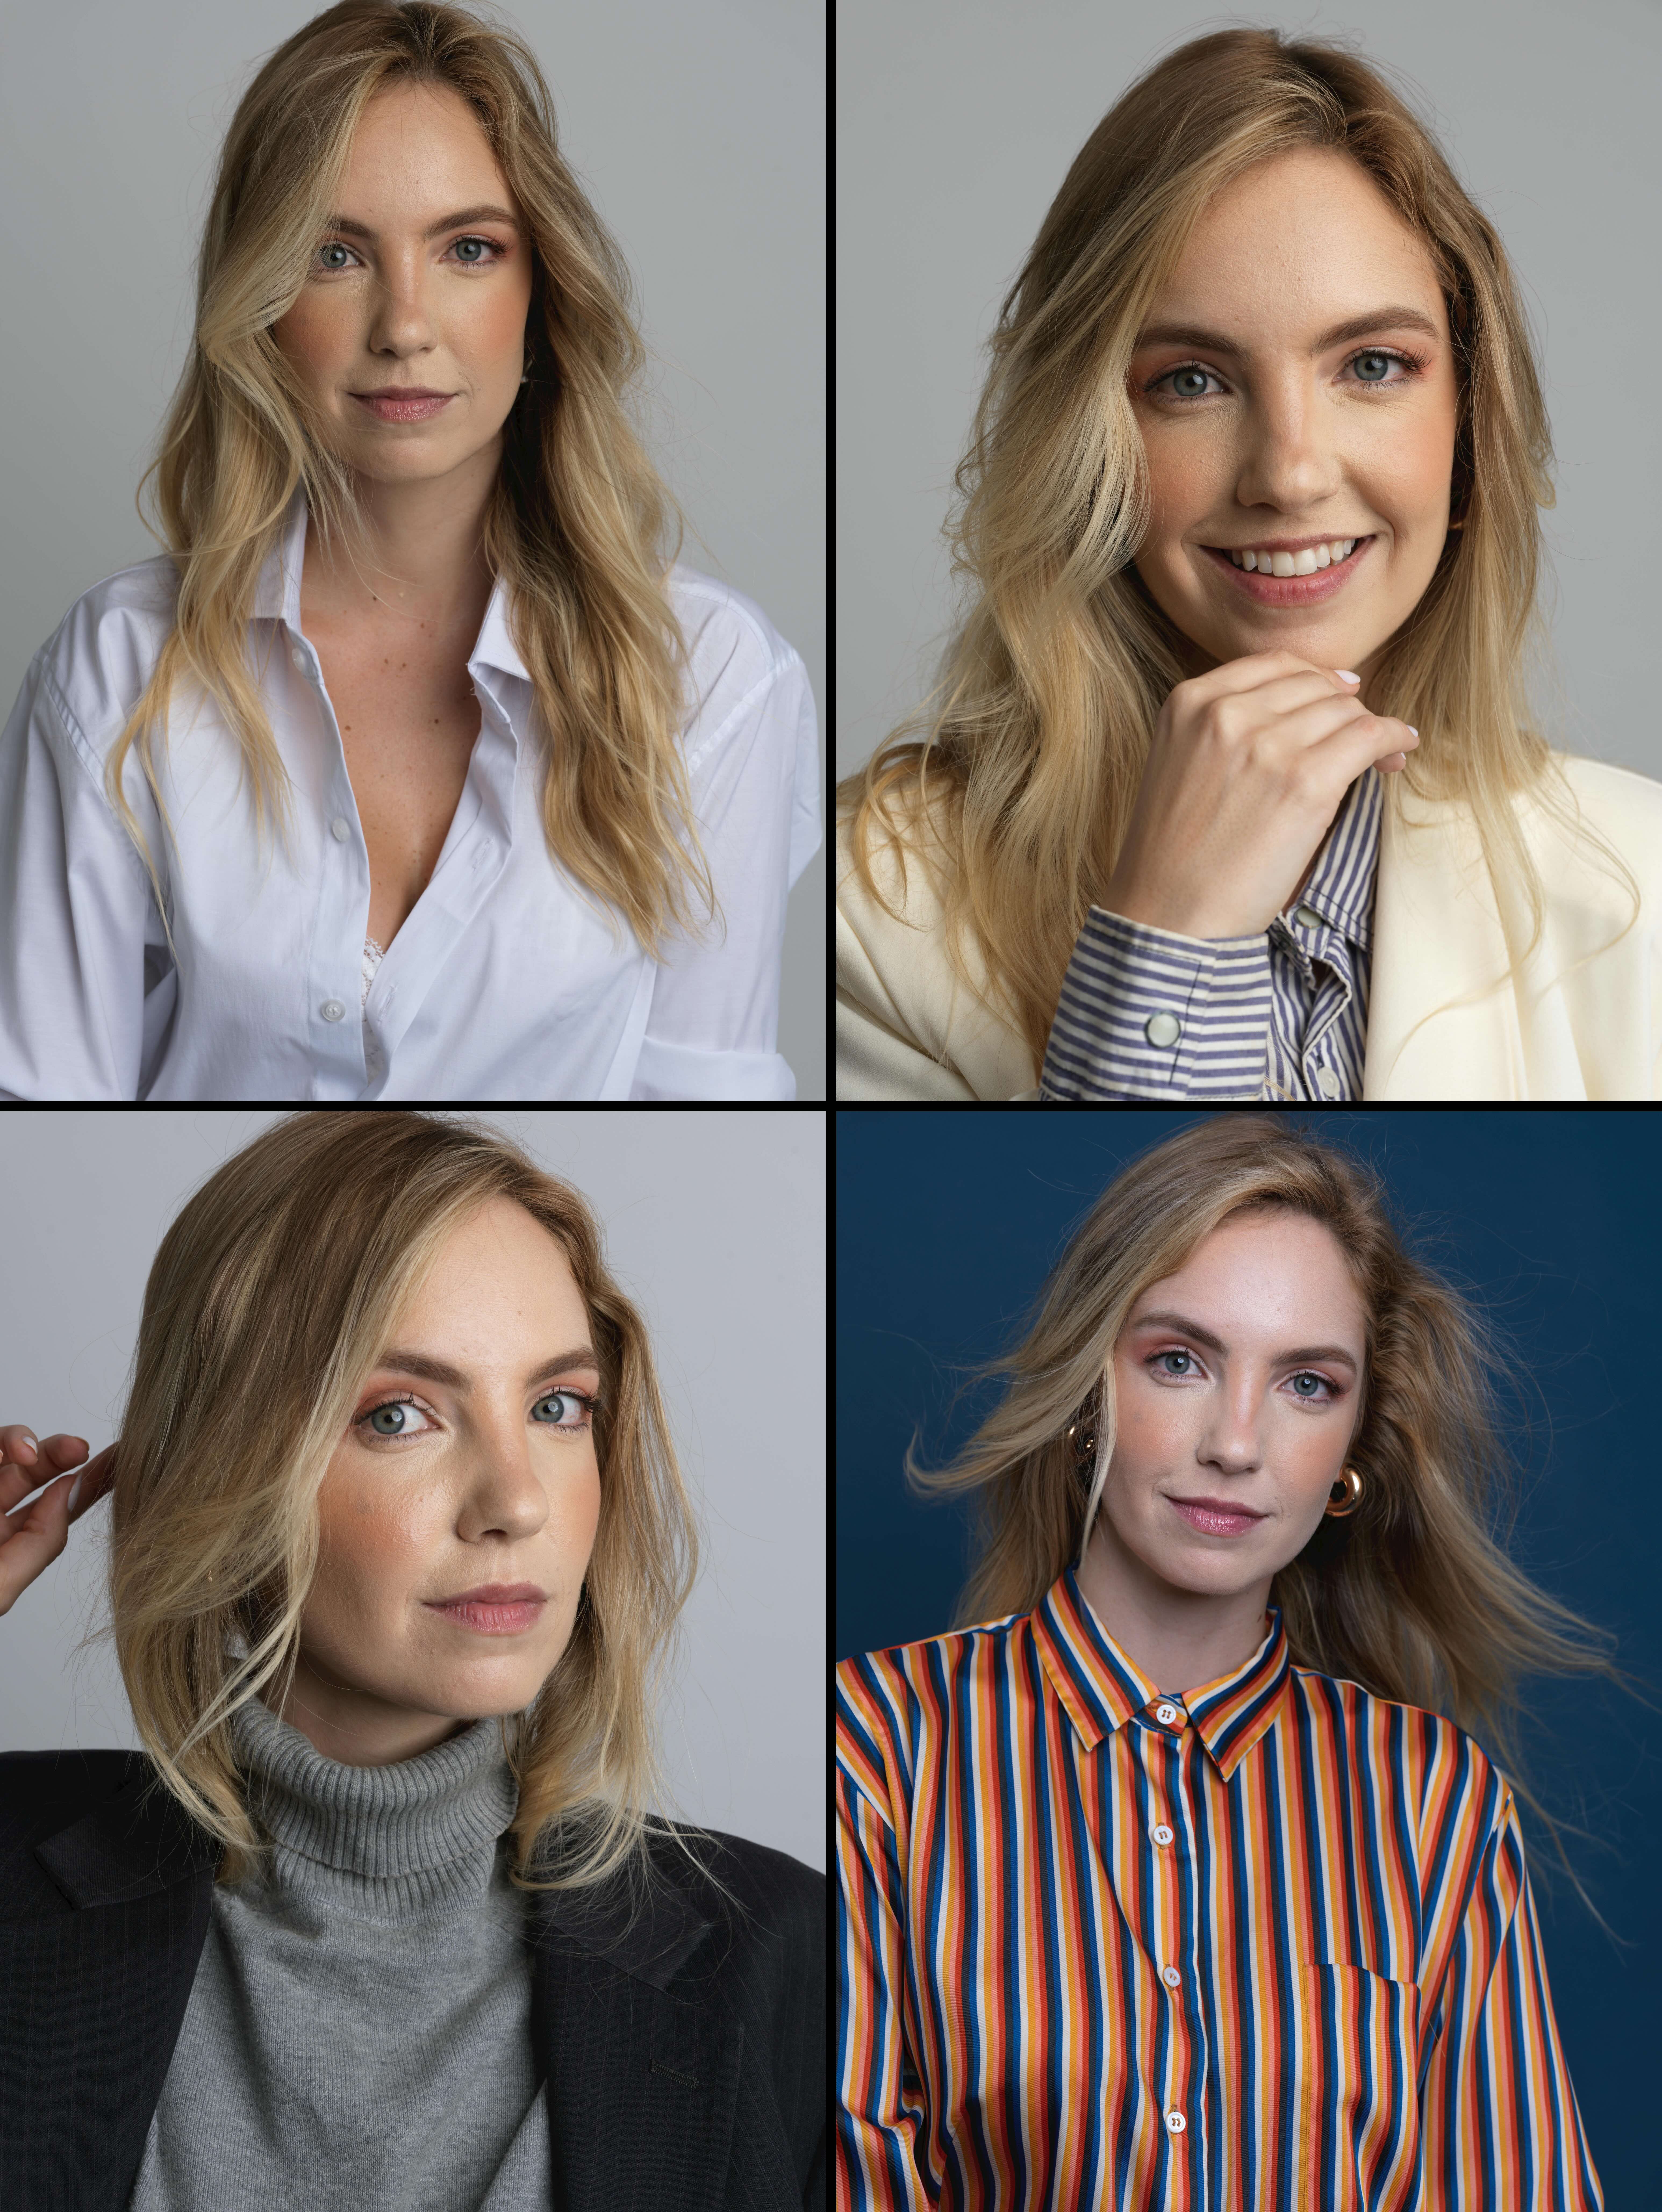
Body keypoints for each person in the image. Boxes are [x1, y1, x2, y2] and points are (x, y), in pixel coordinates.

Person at [0, 1110, 824, 2210]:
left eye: (556, 1406)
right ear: (224, 1465)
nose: (517, 1500)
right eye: (399, 1415)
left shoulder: (785, 1954)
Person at [0, 0, 819, 1102]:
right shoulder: (118, 668)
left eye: (469, 248)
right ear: (260, 302)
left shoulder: (713, 682)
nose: (405, 324)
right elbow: (45, 1099)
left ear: (541, 294)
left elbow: (713, 1105)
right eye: (336, 254)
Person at [836, 25, 1662, 1101]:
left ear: (1468, 432)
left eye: (1371, 365)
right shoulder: (882, 899)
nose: (1290, 473)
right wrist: (1166, 935)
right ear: (1086, 440)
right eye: (1190, 382)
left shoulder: (1641, 873)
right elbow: (1116, 1244)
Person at [836, 1116, 1643, 2208]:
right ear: (1090, 1392)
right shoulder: (878, 1749)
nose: (1235, 1442)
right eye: (1179, 1361)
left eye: (1307, 1384)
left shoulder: (1430, 1800)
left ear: (1354, 1447)